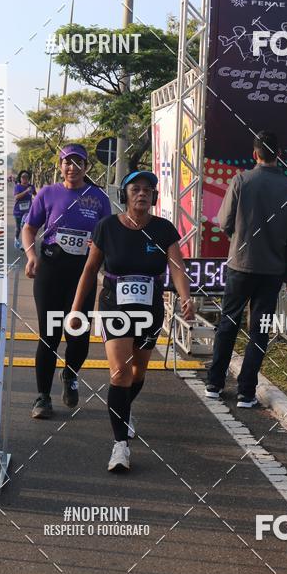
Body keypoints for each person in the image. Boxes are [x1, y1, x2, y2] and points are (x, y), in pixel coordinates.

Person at [68, 170, 195, 473]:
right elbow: (89, 270)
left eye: (148, 190)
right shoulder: (107, 227)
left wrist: (185, 297)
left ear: (154, 197)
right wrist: (75, 310)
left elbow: (177, 268)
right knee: (119, 373)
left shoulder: (164, 229)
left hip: (150, 308)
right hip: (114, 305)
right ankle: (120, 445)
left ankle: (124, 409)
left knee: (137, 373)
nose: (142, 194)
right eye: (135, 189)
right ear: (124, 194)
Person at [205, 131, 287, 408]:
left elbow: (224, 222)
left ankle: (214, 383)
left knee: (228, 323)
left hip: (240, 264)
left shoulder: (240, 181)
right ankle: (247, 392)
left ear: (255, 154)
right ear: (279, 155)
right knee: (259, 330)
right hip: (272, 271)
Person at [22, 144, 111, 419]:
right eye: (66, 162)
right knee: (49, 335)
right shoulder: (48, 193)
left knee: (78, 336)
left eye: (77, 162)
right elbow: (29, 227)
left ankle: (70, 375)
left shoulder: (97, 197)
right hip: (50, 270)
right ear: (60, 166)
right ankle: (43, 397)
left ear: (86, 167)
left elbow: (108, 234)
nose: (72, 167)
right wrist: (31, 255)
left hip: (82, 274)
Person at [13, 170, 36, 250]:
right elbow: (16, 197)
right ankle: (16, 239)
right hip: (17, 211)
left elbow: (36, 195)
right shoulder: (18, 187)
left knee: (24, 227)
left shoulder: (31, 187)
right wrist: (26, 191)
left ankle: (24, 244)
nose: (25, 178)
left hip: (27, 211)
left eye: (26, 177)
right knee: (18, 228)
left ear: (29, 178)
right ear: (20, 178)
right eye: (23, 177)